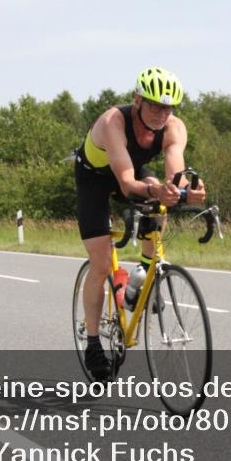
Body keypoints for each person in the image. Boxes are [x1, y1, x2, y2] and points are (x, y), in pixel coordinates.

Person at [75, 67, 206, 379]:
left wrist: (186, 191)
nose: (162, 114)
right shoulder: (113, 121)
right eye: (155, 106)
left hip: (133, 172)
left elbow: (175, 175)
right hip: (96, 177)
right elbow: (126, 182)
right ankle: (93, 342)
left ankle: (143, 272)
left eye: (168, 107)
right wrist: (155, 189)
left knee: (160, 204)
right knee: (102, 264)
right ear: (138, 101)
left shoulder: (174, 128)